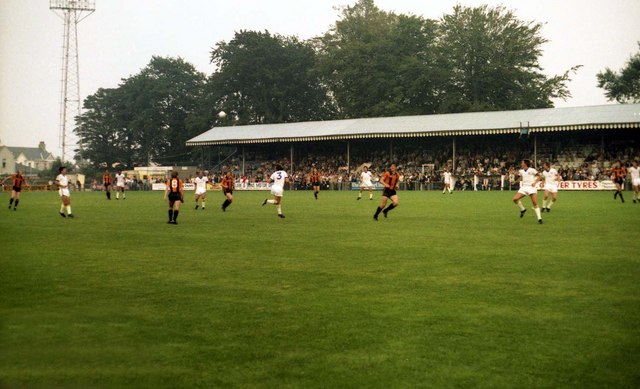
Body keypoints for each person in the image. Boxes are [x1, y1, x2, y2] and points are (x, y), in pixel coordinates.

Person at [512, 159, 542, 224]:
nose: (521, 164)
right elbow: (521, 177)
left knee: (534, 203)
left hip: (531, 187)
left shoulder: (532, 170)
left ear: (525, 163)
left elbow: (540, 176)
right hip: (524, 187)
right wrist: (516, 180)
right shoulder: (521, 171)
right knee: (515, 199)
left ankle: (539, 219)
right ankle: (523, 209)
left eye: (522, 163)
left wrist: (535, 182)